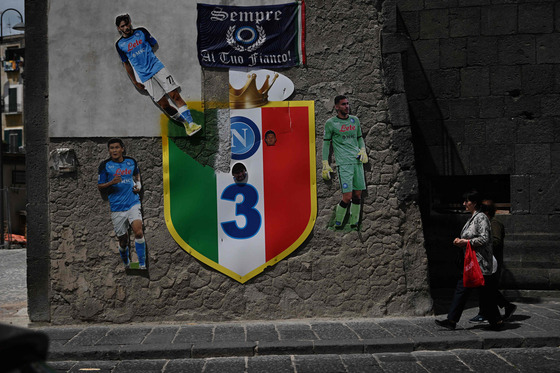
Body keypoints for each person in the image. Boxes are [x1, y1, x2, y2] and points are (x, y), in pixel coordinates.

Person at [115, 14, 201, 136]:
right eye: (123, 26)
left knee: (174, 95)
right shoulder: (120, 45)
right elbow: (126, 64)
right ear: (119, 28)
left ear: (130, 23)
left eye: (127, 24)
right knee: (164, 105)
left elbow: (153, 43)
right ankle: (185, 124)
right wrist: (135, 82)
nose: (126, 27)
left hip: (157, 68)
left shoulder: (141, 31)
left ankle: (192, 123)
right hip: (144, 76)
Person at [435, 190, 503, 331]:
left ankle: (496, 321)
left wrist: (465, 242)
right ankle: (452, 320)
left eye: (467, 201)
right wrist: (460, 242)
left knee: (483, 292)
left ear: (475, 203)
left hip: (480, 263)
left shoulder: (481, 218)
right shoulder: (472, 218)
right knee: (465, 288)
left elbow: (484, 239)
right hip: (471, 262)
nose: (464, 204)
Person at [98, 138, 147, 270]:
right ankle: (126, 262)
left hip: (133, 203)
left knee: (138, 232)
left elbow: (136, 175)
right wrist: (111, 183)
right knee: (123, 240)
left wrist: (139, 185)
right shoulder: (105, 165)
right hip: (117, 207)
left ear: (122, 149)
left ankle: (142, 263)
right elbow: (100, 186)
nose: (114, 150)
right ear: (109, 151)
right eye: (111, 148)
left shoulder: (131, 161)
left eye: (116, 147)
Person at [321, 95, 368, 228]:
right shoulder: (331, 123)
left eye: (347, 104)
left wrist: (363, 150)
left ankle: (354, 223)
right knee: (347, 196)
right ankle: (338, 222)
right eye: (343, 104)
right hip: (344, 163)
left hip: (357, 162)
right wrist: (325, 163)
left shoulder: (355, 120)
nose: (346, 106)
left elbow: (359, 137)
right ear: (336, 107)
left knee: (358, 194)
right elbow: (326, 144)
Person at [469, 200, 516, 323]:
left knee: (487, 288)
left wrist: (479, 242)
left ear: (486, 212)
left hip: (492, 263)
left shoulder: (494, 224)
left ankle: (486, 313)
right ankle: (505, 306)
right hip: (484, 261)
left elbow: (496, 241)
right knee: (486, 288)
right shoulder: (485, 223)